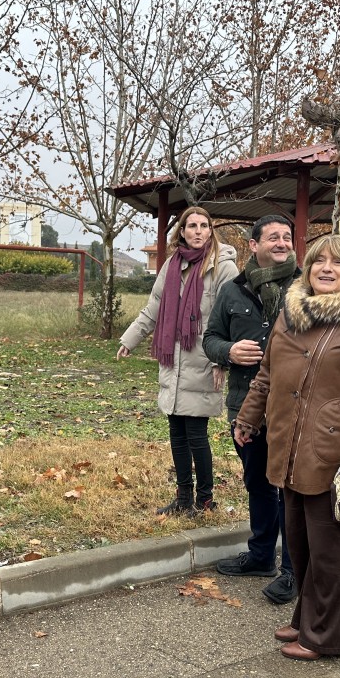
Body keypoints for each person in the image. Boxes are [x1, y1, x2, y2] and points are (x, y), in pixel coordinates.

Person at [234, 234, 340, 661]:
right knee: (301, 544)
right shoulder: (290, 314)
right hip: (288, 447)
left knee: (329, 552)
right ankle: (307, 616)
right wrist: (249, 418)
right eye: (318, 261)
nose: (326, 268)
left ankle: (324, 636)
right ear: (306, 269)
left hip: (336, 453)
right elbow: (267, 376)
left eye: (336, 263)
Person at [203, 214, 300, 604]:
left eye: (287, 237)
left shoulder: (306, 288)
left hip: (292, 408)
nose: (281, 243)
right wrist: (228, 351)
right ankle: (261, 556)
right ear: (253, 246)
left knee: (293, 489)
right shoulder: (233, 291)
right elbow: (210, 338)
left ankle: (294, 570)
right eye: (273, 237)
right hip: (245, 406)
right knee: (258, 484)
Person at [118, 206, 238, 515]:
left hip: (204, 359)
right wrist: (130, 340)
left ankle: (205, 500)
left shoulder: (223, 267)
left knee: (196, 434)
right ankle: (183, 499)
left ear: (211, 230)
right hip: (173, 360)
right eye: (192, 226)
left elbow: (230, 317)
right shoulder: (172, 264)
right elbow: (154, 308)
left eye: (204, 225)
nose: (198, 231)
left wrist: (220, 360)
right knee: (177, 432)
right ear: (182, 232)